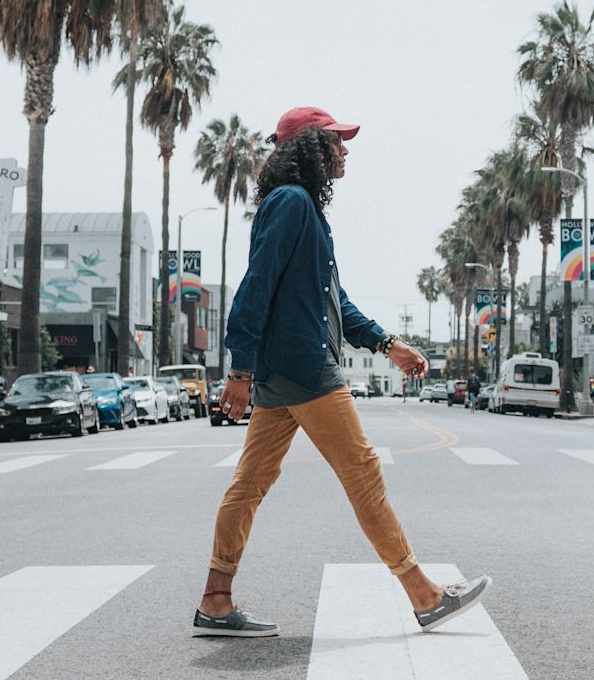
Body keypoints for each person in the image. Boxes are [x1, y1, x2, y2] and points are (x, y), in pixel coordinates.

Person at [193, 107, 491, 638]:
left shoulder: (302, 210)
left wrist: (387, 343)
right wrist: (238, 367)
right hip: (305, 367)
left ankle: (215, 600)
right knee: (363, 474)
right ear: (309, 147)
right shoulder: (292, 203)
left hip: (284, 369)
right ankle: (423, 595)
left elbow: (336, 303)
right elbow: (255, 284)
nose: (345, 150)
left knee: (251, 484)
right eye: (336, 141)